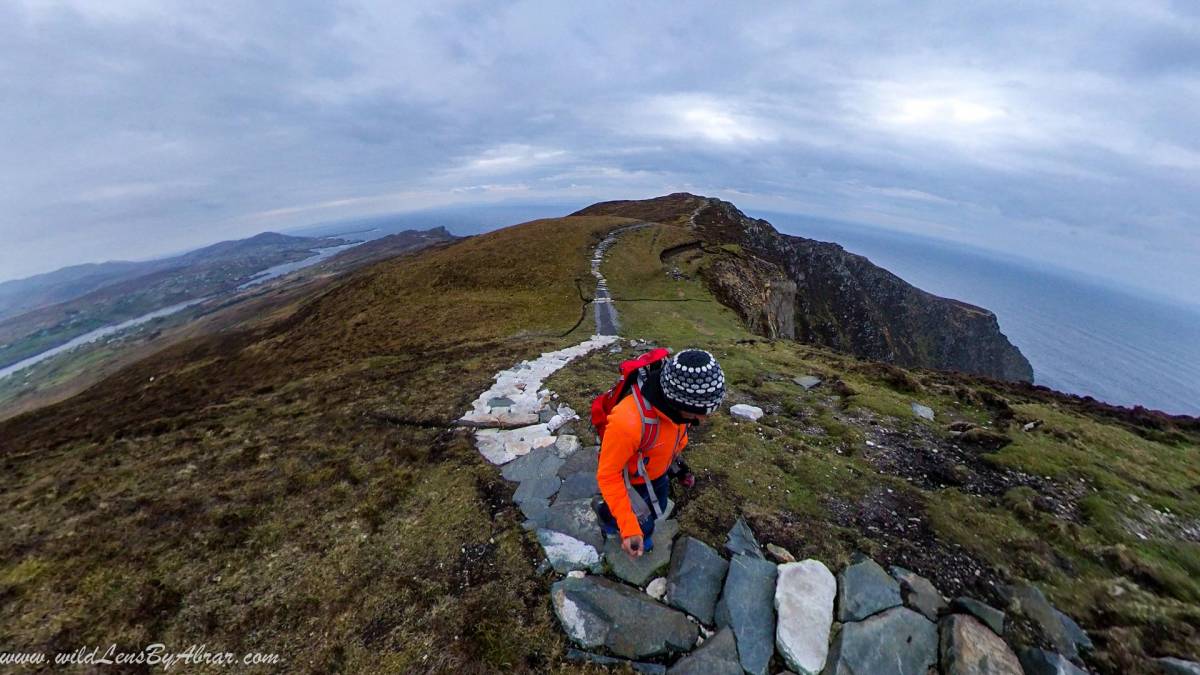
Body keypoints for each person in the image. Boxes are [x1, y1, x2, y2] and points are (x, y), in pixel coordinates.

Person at [594, 349, 725, 559]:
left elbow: (672, 441)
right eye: (700, 413)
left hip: (657, 474)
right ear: (681, 404)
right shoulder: (627, 423)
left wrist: (679, 469)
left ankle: (634, 526)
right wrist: (629, 528)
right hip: (632, 483)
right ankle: (609, 520)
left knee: (659, 507)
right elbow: (608, 475)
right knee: (637, 521)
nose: (705, 419)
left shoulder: (679, 413)